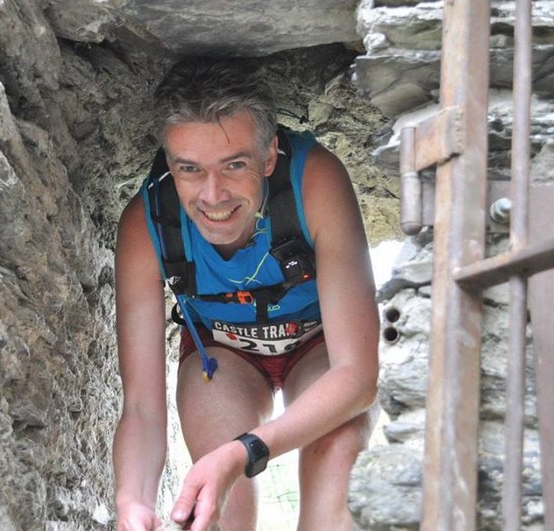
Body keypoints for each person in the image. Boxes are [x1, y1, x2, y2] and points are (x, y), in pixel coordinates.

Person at [112, 59, 379, 531]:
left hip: (319, 345)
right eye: (190, 169)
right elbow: (141, 408)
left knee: (334, 461)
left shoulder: (314, 181)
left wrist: (247, 451)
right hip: (222, 354)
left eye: (234, 165)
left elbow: (357, 375)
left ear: (270, 156)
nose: (213, 195)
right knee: (216, 504)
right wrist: (132, 502)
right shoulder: (146, 223)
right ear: (170, 165)